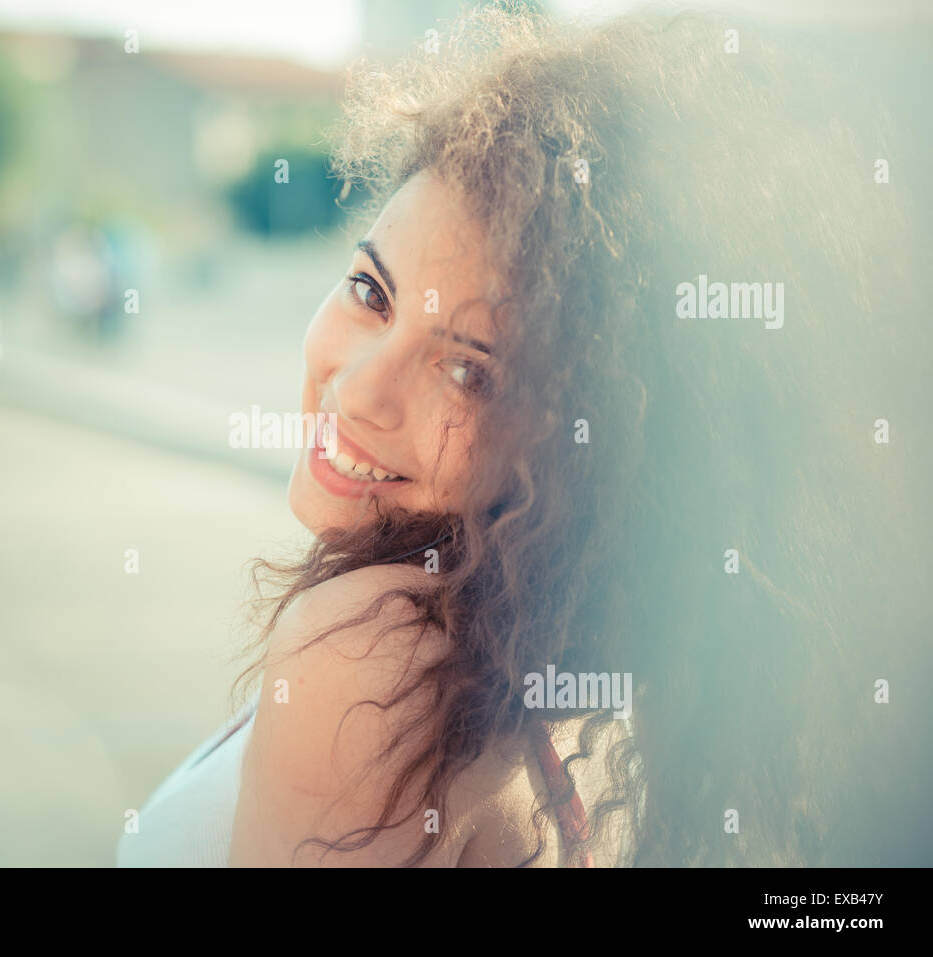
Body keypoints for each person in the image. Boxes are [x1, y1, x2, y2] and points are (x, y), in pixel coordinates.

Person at [118, 4, 912, 867]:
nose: (357, 389)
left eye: (469, 371)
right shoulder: (573, 663)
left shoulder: (369, 661)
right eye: (370, 292)